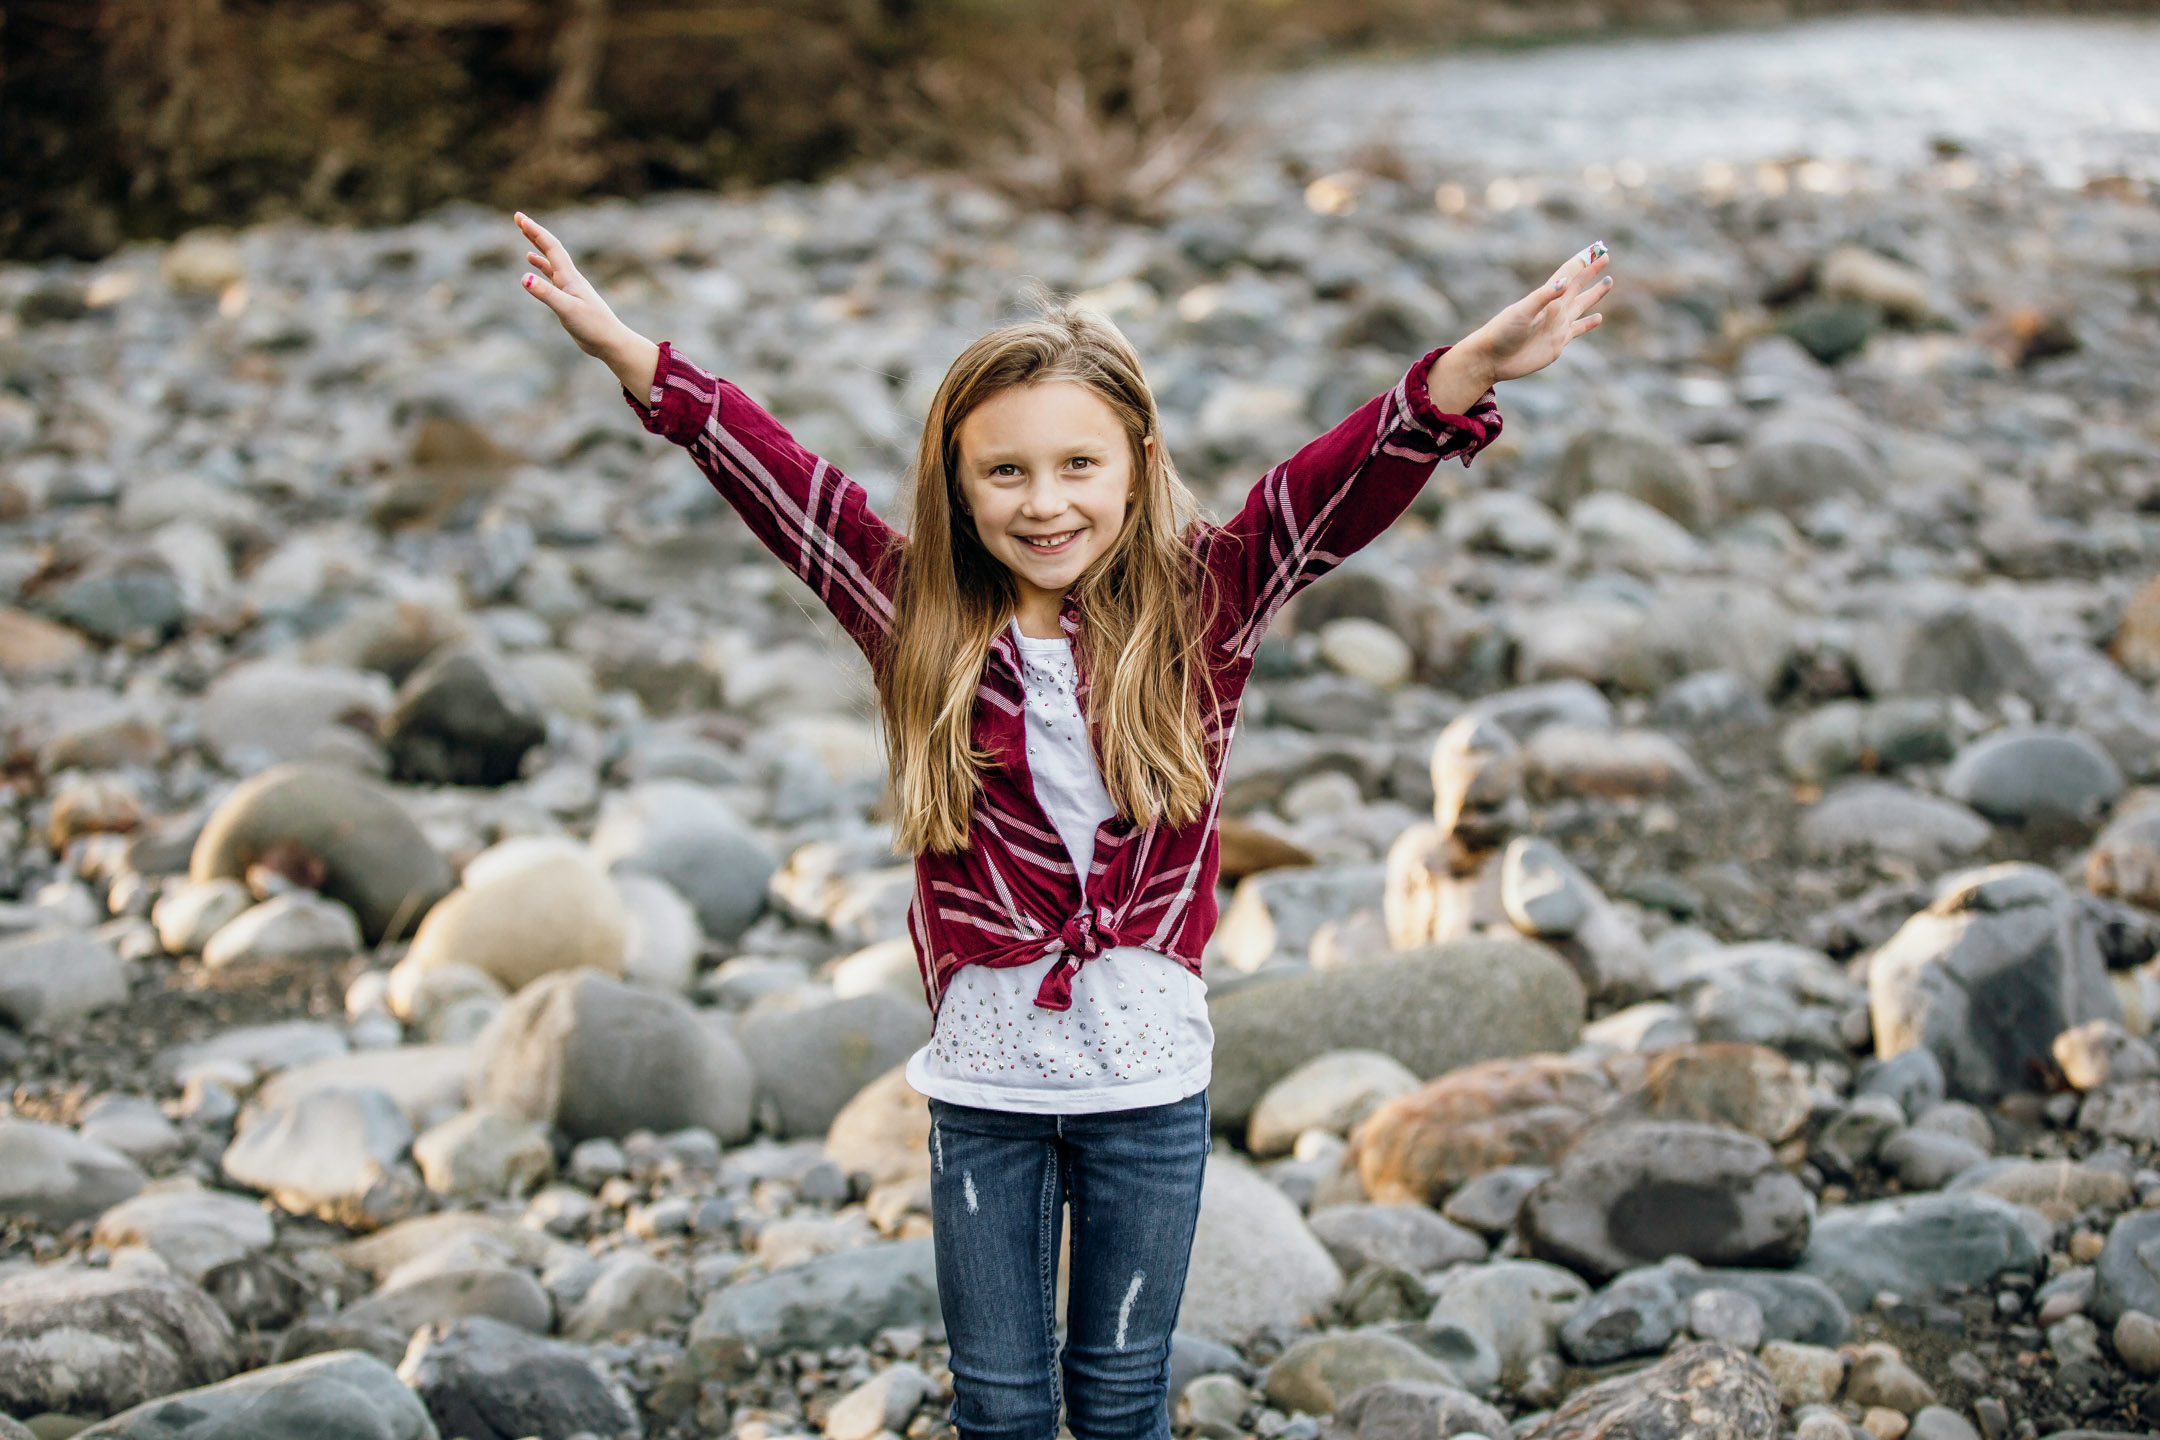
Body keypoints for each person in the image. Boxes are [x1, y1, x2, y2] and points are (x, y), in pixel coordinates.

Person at [513, 207, 1612, 1440]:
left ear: (1137, 460)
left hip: (1150, 1089)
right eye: (1006, 471)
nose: (1045, 504)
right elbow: (784, 484)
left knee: (1122, 1398)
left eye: (1079, 465)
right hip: (985, 1092)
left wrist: (1459, 374)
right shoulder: (915, 608)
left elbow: (1327, 495)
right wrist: (630, 354)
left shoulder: (1207, 600)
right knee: (998, 1403)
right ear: (958, 482)